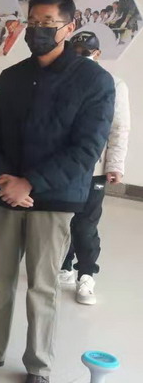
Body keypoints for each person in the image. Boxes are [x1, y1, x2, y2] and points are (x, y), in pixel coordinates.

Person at [0, 0, 115, 383]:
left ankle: (38, 365)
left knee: (42, 286)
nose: (37, 31)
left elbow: (86, 148)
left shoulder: (94, 81)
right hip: (5, 193)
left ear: (69, 28)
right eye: (32, 22)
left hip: (54, 198)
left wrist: (31, 184)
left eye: (47, 23)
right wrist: (3, 181)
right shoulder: (12, 77)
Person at [60, 32, 131, 305]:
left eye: (85, 51)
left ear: (98, 54)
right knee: (62, 219)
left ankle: (86, 274)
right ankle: (64, 266)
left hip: (94, 168)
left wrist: (115, 165)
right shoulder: (62, 80)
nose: (79, 56)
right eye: (74, 51)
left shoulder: (114, 84)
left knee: (85, 223)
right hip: (64, 166)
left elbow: (119, 128)